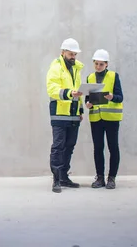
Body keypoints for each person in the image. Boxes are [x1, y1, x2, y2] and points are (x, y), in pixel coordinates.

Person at [46, 38, 85, 193]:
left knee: (69, 146)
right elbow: (52, 88)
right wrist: (69, 93)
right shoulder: (56, 67)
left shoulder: (76, 69)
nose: (73, 56)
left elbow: (79, 91)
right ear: (63, 52)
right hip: (60, 113)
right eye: (70, 53)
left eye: (75, 54)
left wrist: (80, 110)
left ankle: (63, 177)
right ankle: (56, 179)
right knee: (58, 147)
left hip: (73, 115)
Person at [85, 49, 124, 189]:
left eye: (101, 64)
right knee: (98, 148)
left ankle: (111, 178)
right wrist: (87, 104)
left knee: (113, 147)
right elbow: (88, 98)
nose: (98, 67)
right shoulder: (89, 78)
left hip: (111, 118)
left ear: (106, 64)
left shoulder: (114, 77)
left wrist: (112, 97)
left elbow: (120, 97)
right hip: (96, 118)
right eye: (96, 64)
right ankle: (100, 177)